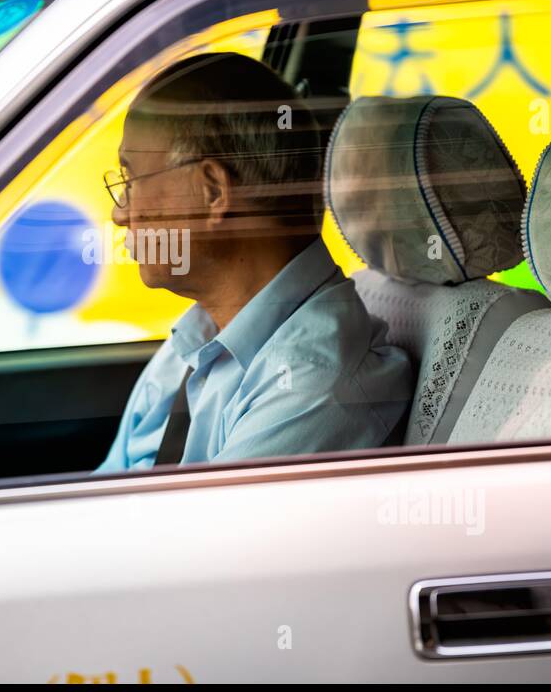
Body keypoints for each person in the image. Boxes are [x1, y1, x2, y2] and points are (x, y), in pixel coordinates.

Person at [94, 52, 412, 472]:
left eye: (131, 181)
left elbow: (188, 538)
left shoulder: (311, 385)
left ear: (212, 192)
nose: (119, 213)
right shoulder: (195, 340)